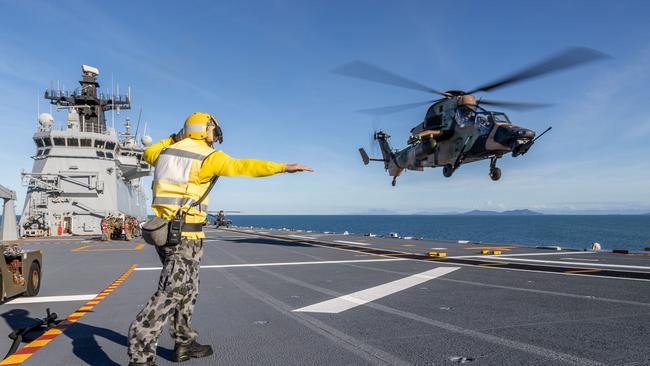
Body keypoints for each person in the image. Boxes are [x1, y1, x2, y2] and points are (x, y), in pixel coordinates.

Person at [127, 112, 312, 366]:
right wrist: (282, 167)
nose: (215, 136)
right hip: (186, 237)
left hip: (165, 233)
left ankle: (184, 343)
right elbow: (243, 166)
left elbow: (149, 152)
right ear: (206, 130)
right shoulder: (208, 157)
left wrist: (175, 136)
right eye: (213, 131)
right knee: (172, 292)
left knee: (188, 290)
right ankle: (140, 356)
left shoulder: (165, 152)